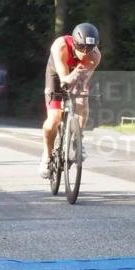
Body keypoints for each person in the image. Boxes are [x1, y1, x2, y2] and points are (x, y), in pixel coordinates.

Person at [40, 23, 101, 178]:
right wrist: (72, 75)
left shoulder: (95, 56)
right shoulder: (60, 46)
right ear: (74, 43)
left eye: (90, 48)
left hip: (77, 77)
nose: (85, 52)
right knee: (53, 119)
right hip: (57, 75)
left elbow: (82, 82)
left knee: (82, 101)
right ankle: (47, 156)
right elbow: (64, 80)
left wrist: (79, 83)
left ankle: (78, 139)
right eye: (81, 47)